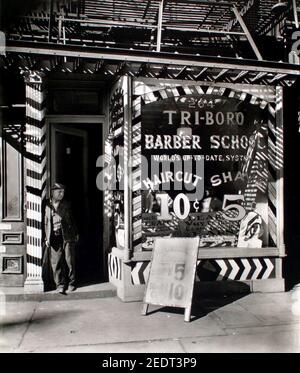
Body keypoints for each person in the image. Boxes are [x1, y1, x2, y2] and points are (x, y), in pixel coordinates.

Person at [44, 183, 79, 294]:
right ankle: (60, 284)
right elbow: (43, 222)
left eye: (63, 192)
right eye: (59, 191)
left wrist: (76, 233)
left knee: (69, 261)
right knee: (56, 262)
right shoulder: (46, 205)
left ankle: (71, 283)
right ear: (53, 192)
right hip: (53, 236)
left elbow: (73, 220)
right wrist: (45, 237)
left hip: (67, 235)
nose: (61, 194)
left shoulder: (67, 204)